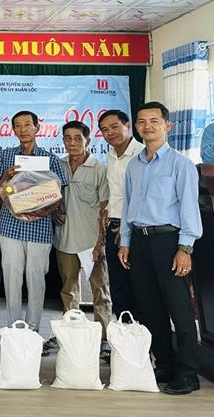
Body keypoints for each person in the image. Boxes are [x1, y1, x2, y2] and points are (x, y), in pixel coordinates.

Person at [118, 102, 203, 395]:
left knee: (179, 309)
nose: (147, 126)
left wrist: (185, 248)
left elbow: (190, 209)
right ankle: (165, 364)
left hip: (169, 242)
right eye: (142, 121)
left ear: (168, 125)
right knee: (150, 308)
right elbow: (127, 206)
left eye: (154, 121)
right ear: (136, 127)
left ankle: (188, 372)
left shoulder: (181, 165)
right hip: (139, 242)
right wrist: (125, 242)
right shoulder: (134, 165)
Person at [0, 110, 69, 331]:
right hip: (10, 225)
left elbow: (59, 192)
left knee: (36, 279)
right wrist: (6, 177)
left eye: (27, 124)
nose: (23, 129)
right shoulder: (5, 156)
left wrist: (46, 209)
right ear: (13, 130)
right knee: (11, 278)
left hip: (40, 227)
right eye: (18, 125)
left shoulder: (50, 159)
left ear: (37, 128)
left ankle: (33, 329)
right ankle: (14, 329)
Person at [49, 121, 112, 356]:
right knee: (69, 290)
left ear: (88, 141)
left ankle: (104, 338)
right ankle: (71, 334)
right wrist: (54, 211)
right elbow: (50, 198)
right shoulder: (58, 166)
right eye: (67, 138)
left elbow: (105, 208)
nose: (72, 143)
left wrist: (100, 242)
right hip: (64, 240)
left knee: (100, 291)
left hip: (91, 242)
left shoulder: (99, 169)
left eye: (78, 138)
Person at [100, 110, 145, 320]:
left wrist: (127, 225)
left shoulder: (142, 154)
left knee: (139, 284)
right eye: (104, 130)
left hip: (135, 226)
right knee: (118, 285)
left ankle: (143, 333)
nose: (110, 133)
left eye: (114, 127)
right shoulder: (110, 156)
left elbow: (143, 195)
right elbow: (115, 192)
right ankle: (124, 331)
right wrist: (106, 211)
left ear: (128, 126)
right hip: (113, 224)